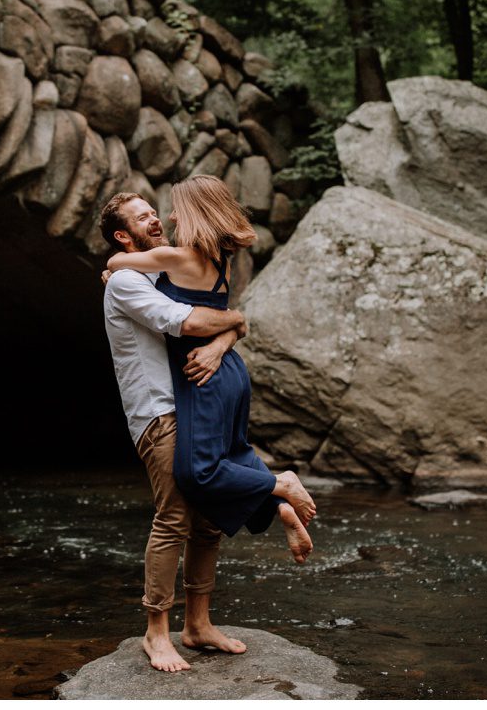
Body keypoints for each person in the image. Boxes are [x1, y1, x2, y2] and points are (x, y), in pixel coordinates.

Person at [99, 184, 316, 671]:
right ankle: (156, 632)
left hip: (194, 400)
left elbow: (216, 321)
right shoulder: (128, 281)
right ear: (123, 237)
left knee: (208, 521)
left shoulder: (161, 271)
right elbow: (192, 322)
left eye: (154, 211)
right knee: (174, 518)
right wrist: (231, 321)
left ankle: (196, 624)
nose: (156, 219)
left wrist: (227, 333)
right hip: (160, 411)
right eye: (142, 217)